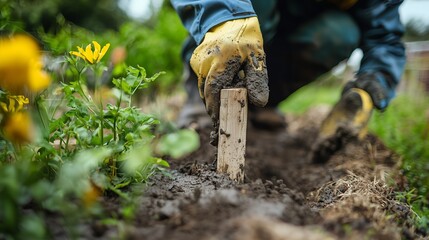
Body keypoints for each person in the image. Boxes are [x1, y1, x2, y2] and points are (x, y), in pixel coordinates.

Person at [170, 0, 406, 162]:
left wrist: (369, 88)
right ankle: (205, 94)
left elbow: (385, 40)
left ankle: (261, 101)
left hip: (287, 38)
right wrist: (223, 16)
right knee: (244, 11)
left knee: (342, 33)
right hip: (240, 18)